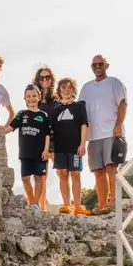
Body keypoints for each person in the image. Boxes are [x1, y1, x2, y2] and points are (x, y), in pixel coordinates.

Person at [78, 54, 127, 215]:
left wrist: (118, 125)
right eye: (94, 65)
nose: (97, 67)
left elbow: (122, 103)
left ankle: (114, 201)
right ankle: (102, 205)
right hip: (93, 135)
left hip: (111, 131)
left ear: (106, 65)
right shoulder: (86, 88)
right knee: (98, 171)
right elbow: (80, 111)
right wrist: (82, 139)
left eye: (100, 64)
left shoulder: (115, 83)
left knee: (111, 166)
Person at [0, 85, 51, 211]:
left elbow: (47, 134)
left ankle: (35, 204)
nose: (31, 99)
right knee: (25, 178)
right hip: (25, 152)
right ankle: (32, 201)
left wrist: (46, 150)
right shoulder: (22, 114)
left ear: (39, 97)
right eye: (28, 96)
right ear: (24, 98)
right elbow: (10, 128)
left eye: (34, 96)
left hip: (40, 152)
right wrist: (1, 131)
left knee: (39, 178)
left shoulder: (44, 115)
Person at [50, 77, 90, 216]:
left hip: (75, 148)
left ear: (73, 90)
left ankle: (78, 205)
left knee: (75, 174)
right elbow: (51, 131)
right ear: (59, 90)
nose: (66, 90)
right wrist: (51, 150)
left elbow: (84, 125)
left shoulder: (79, 106)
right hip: (59, 148)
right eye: (63, 88)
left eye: (69, 87)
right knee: (62, 174)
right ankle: (66, 204)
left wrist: (82, 144)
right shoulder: (55, 109)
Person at [33, 66, 58, 211]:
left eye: (47, 77)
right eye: (41, 78)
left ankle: (69, 205)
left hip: (56, 140)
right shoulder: (34, 99)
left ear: (52, 79)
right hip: (39, 140)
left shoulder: (57, 99)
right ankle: (41, 207)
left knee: (63, 172)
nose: (44, 80)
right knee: (41, 175)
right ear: (38, 80)